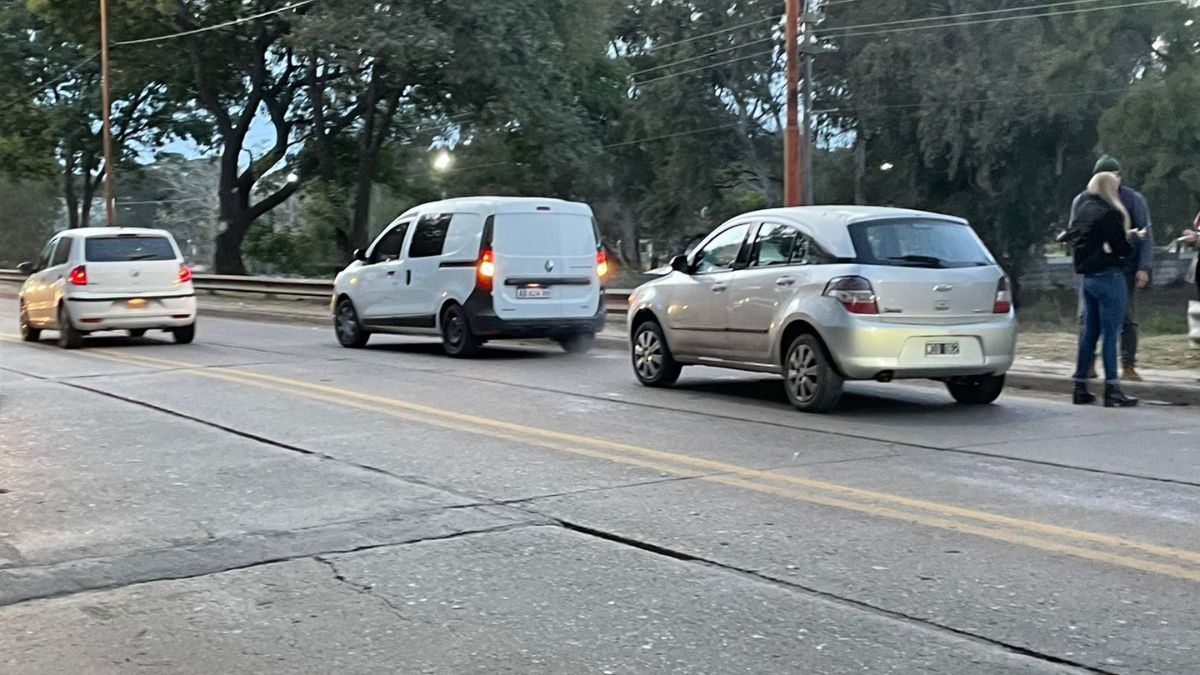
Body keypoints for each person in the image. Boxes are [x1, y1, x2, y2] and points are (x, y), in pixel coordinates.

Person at [1069, 156, 1152, 381]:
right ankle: (1093, 372)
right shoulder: (1084, 201)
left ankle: (1127, 365)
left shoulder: (1132, 199)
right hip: (1099, 269)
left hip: (1121, 270)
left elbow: (1145, 235)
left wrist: (1143, 266)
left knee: (1126, 319)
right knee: (1090, 321)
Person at [1071, 171, 1138, 407]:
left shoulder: (1084, 210)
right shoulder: (1110, 213)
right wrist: (1130, 241)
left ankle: (1080, 386)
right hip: (1109, 276)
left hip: (1088, 278)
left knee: (1090, 332)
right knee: (1111, 333)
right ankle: (1112, 389)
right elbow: (1120, 247)